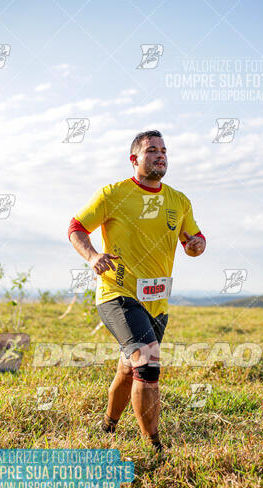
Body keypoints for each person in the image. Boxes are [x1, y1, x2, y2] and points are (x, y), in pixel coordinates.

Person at [68, 130, 206, 452]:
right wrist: (93, 256)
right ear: (134, 160)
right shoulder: (112, 194)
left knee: (130, 368)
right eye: (151, 151)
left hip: (157, 301)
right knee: (148, 362)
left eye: (164, 150)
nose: (160, 155)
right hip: (117, 293)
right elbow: (76, 228)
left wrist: (197, 245)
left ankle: (108, 426)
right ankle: (155, 447)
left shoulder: (179, 200)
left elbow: (193, 239)